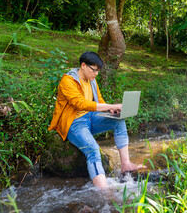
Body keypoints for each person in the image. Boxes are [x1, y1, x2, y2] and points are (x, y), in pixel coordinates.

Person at [48, 51, 143, 190]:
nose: (96, 74)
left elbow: (99, 100)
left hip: (90, 117)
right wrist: (111, 106)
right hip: (73, 122)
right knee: (93, 150)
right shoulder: (68, 81)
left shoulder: (92, 80)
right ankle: (104, 192)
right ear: (83, 65)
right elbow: (80, 104)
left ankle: (126, 164)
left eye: (98, 71)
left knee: (119, 121)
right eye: (94, 70)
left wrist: (111, 110)